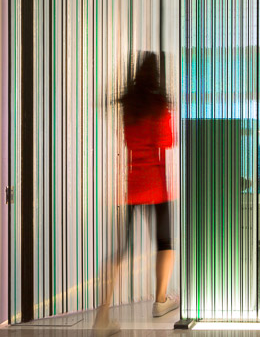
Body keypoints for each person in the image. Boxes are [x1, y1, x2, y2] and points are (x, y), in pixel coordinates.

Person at [94, 53, 178, 335]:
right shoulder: (158, 105)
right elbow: (167, 141)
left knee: (119, 250)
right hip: (156, 185)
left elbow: (128, 139)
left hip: (132, 185)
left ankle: (102, 316)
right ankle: (160, 300)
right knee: (165, 243)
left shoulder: (129, 106)